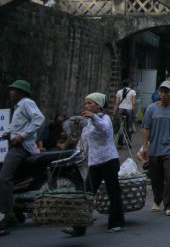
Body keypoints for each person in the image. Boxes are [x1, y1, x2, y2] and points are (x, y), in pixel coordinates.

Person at [61, 92, 126, 236]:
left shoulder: (105, 118)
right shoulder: (90, 121)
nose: (86, 106)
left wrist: (94, 117)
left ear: (98, 106)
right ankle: (79, 227)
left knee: (113, 193)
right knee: (87, 194)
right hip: (95, 162)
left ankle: (117, 223)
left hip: (108, 161)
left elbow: (104, 129)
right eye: (86, 103)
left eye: (89, 103)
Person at [0, 80, 44, 236]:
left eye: (14, 90)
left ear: (22, 92)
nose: (11, 92)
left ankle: (8, 212)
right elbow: (20, 125)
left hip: (20, 148)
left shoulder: (27, 102)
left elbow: (39, 119)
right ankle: (16, 208)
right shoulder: (19, 106)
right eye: (11, 90)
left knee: (4, 178)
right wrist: (10, 133)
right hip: (16, 145)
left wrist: (22, 136)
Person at [142, 80, 170, 216]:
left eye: (167, 92)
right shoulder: (151, 109)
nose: (164, 94)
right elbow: (146, 128)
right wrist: (144, 147)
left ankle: (169, 205)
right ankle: (157, 199)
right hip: (154, 148)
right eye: (162, 91)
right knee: (156, 178)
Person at [112, 80, 136, 147]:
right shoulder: (132, 91)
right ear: (129, 84)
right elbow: (133, 103)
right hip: (129, 110)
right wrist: (133, 111)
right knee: (129, 126)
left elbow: (116, 103)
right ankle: (128, 142)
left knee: (121, 126)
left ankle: (120, 144)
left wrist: (114, 112)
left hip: (121, 109)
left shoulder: (119, 91)